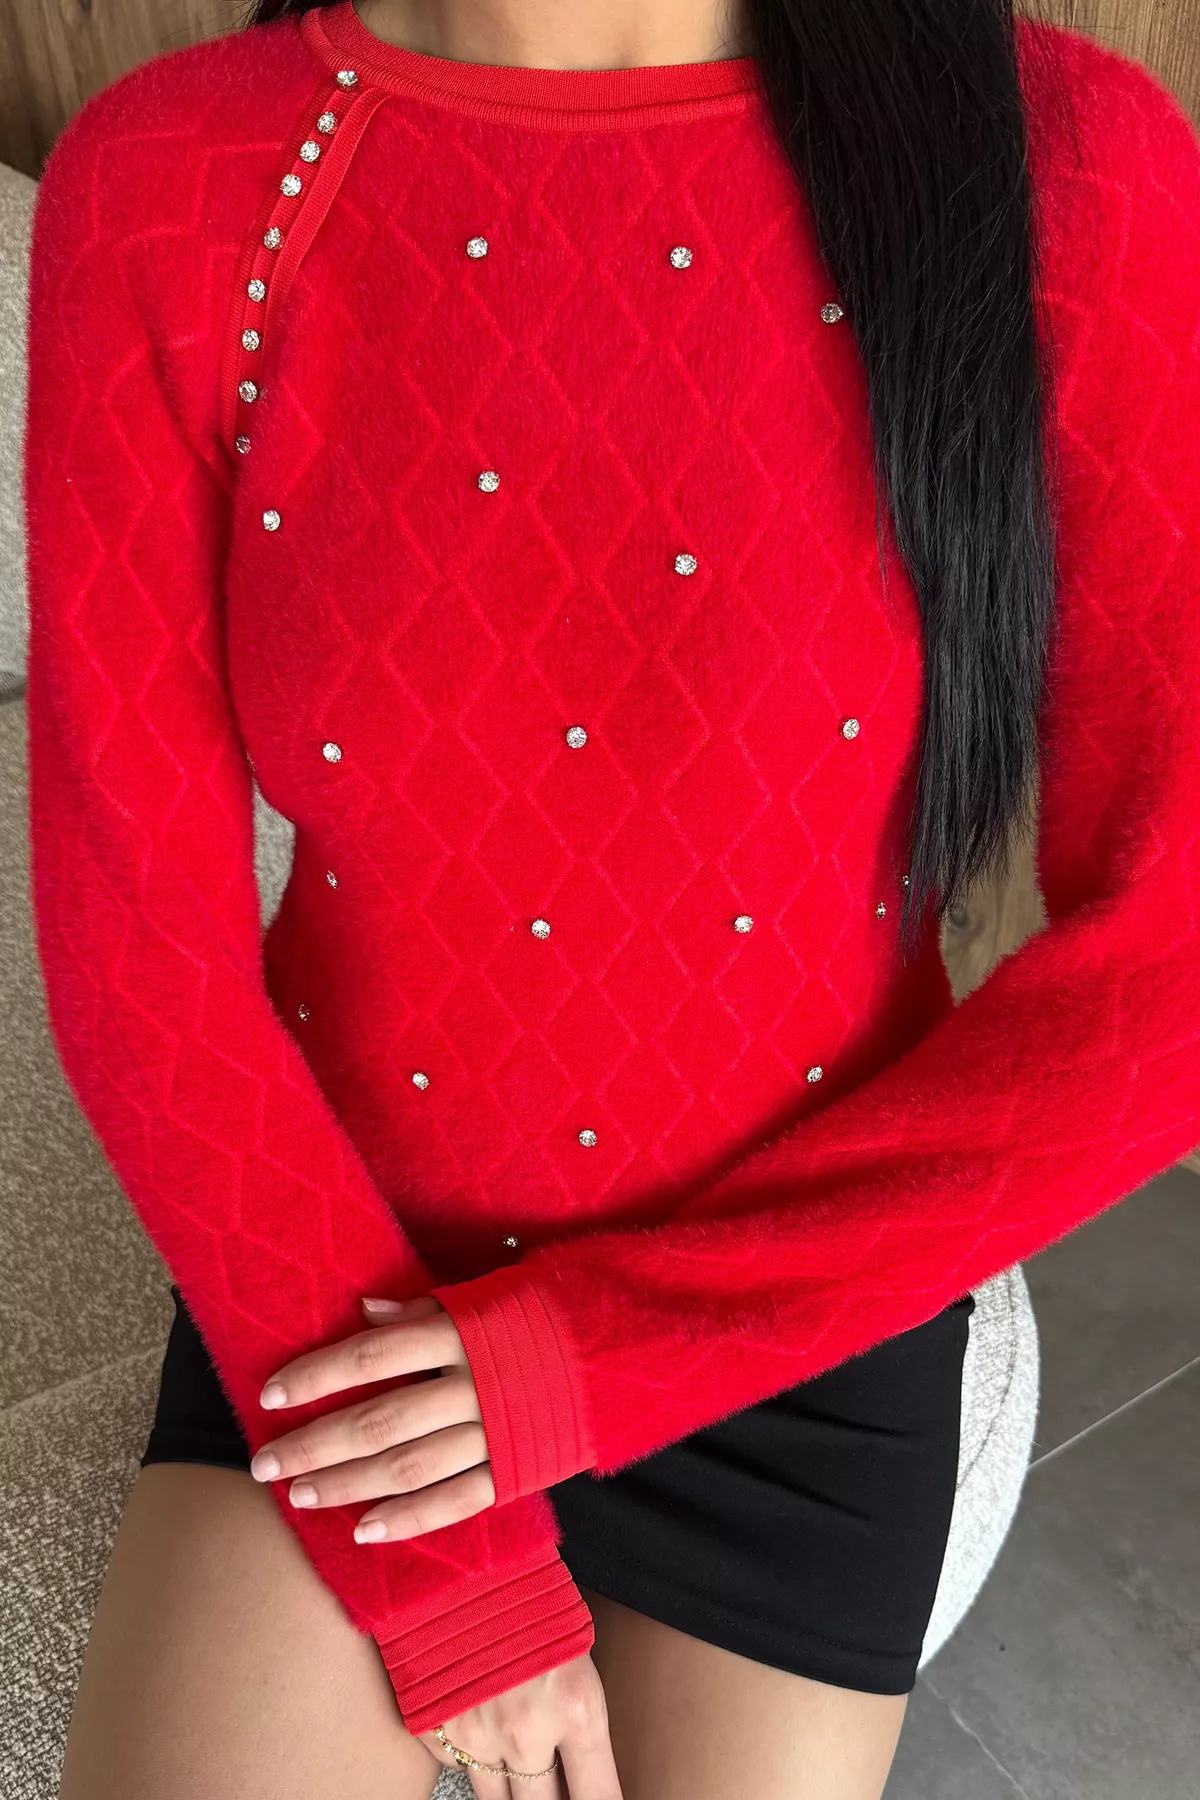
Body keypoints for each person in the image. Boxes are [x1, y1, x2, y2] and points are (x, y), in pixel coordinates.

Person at [23, 1, 1200, 1795]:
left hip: (797, 1310)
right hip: (351, 1298)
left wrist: (593, 1362)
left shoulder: (1070, 166)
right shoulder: (177, 177)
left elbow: (1171, 967)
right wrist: (456, 1579)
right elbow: (138, 949)